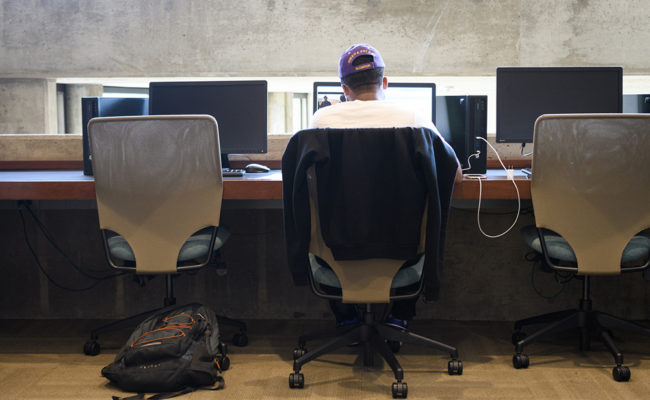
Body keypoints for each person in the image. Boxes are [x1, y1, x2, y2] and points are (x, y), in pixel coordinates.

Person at [311, 43, 462, 330]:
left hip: (337, 248)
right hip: (403, 248)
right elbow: (454, 175)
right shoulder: (414, 120)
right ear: (385, 82)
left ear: (344, 89)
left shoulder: (321, 121)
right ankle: (400, 317)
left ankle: (346, 318)